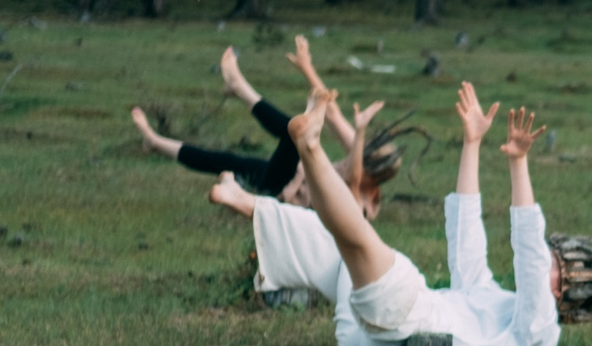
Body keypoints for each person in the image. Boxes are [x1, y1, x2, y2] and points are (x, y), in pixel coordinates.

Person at [214, 81, 561, 346]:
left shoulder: (539, 333)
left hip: (405, 314)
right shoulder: (490, 297)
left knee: (361, 241)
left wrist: (518, 164)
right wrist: (472, 143)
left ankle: (311, 148)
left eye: (553, 265)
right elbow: (465, 234)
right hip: (368, 337)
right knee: (334, 241)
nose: (544, 259)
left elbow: (530, 254)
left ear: (561, 292)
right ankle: (244, 199)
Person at [132, 38, 401, 214]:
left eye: (365, 159)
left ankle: (238, 87)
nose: (356, 156)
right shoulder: (359, 153)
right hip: (284, 175)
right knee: (224, 159)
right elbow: (330, 110)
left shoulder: (365, 200)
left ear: (375, 178)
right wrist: (307, 67)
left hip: (280, 196)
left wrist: (297, 184)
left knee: (293, 134)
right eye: (362, 152)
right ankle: (154, 142)